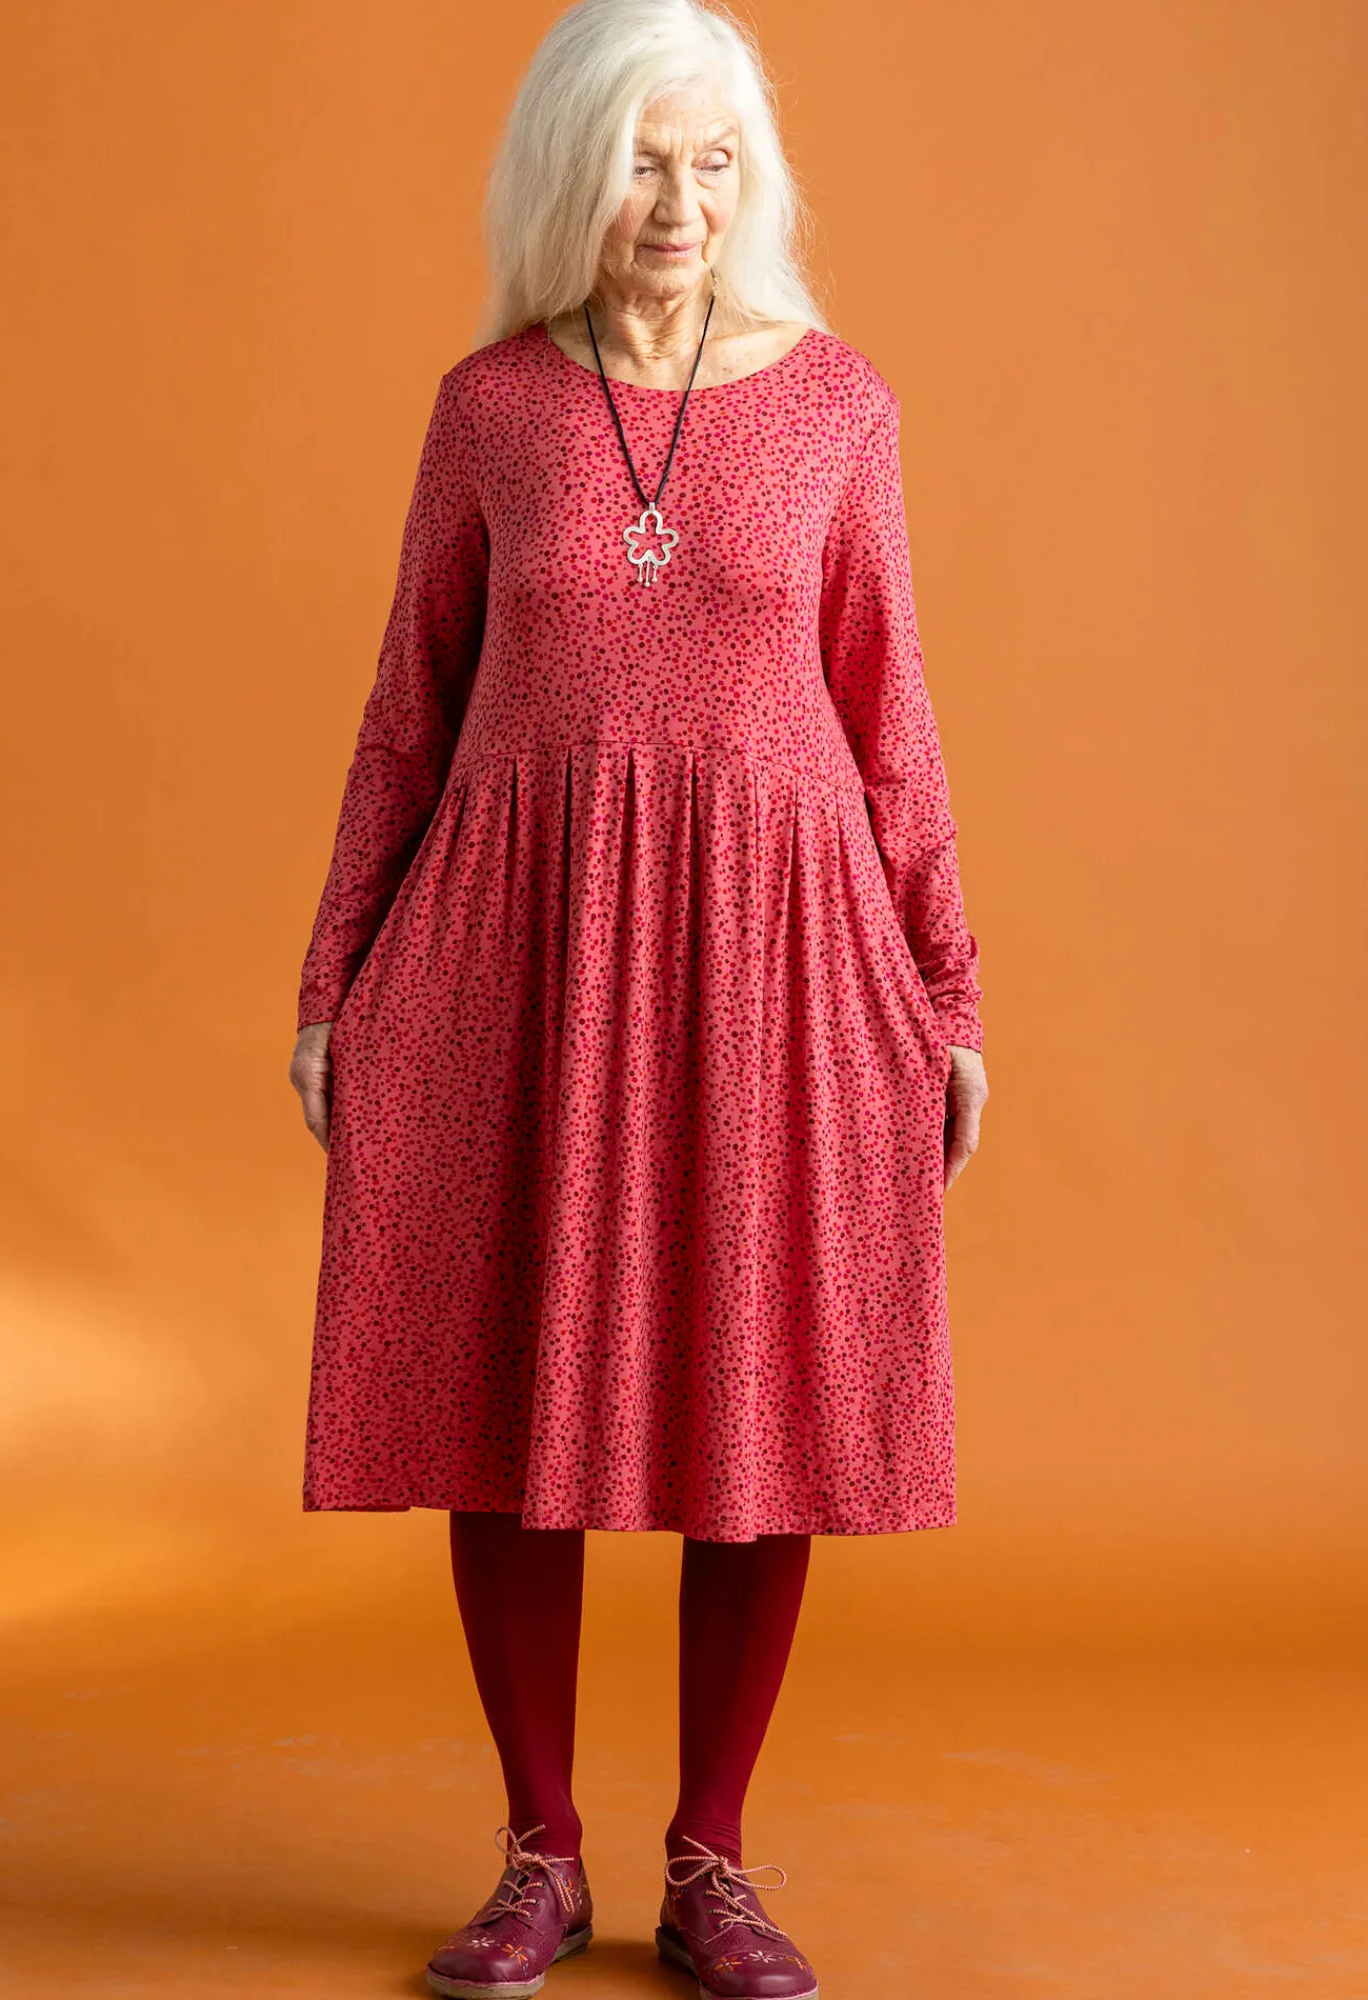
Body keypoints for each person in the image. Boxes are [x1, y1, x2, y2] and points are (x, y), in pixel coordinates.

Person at [287, 1, 988, 1993]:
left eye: (713, 160)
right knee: (511, 1386)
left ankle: (711, 1862)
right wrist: (335, 968)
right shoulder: (489, 410)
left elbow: (891, 714)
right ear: (570, 176)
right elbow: (408, 707)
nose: (679, 201)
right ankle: (541, 1853)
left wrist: (947, 987)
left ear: (754, 179)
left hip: (776, 958)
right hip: (521, 954)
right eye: (640, 161)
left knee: (751, 1383)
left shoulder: (841, 407)